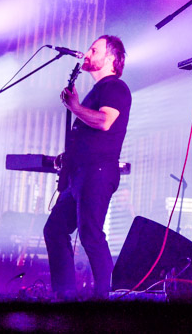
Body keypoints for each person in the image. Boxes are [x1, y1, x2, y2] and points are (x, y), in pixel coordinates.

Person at [44, 35, 131, 299]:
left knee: (91, 235)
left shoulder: (115, 88)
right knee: (55, 230)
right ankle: (65, 296)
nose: (88, 52)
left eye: (95, 49)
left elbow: (104, 122)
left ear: (111, 59)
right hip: (80, 173)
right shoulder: (98, 90)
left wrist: (75, 107)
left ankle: (107, 297)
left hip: (98, 172)